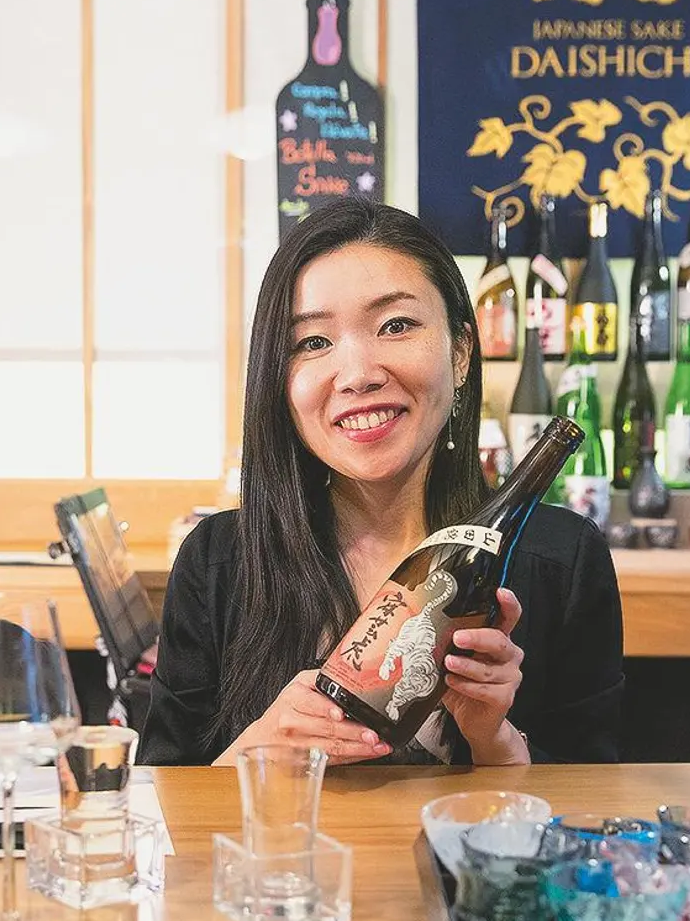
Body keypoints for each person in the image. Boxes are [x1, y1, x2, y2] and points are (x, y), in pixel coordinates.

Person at [138, 198, 623, 766]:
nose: (359, 374)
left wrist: (494, 738)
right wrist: (252, 753)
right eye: (312, 342)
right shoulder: (221, 563)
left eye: (396, 326)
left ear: (461, 352)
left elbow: (597, 815)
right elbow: (161, 808)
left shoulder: (561, 561)